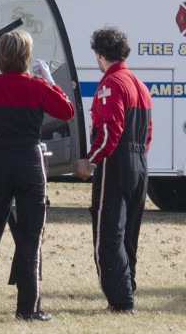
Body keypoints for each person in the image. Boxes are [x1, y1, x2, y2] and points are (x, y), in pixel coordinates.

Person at [0, 30, 74, 321]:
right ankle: (27, 308)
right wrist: (49, 80)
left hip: (1, 160)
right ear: (27, 56)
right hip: (29, 161)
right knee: (30, 237)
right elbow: (66, 111)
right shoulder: (35, 86)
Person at [73, 26, 152, 314]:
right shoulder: (140, 86)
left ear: (100, 54)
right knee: (129, 233)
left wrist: (90, 160)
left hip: (115, 164)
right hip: (140, 162)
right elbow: (148, 133)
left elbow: (108, 131)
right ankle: (127, 288)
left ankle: (120, 300)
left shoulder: (111, 84)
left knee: (108, 234)